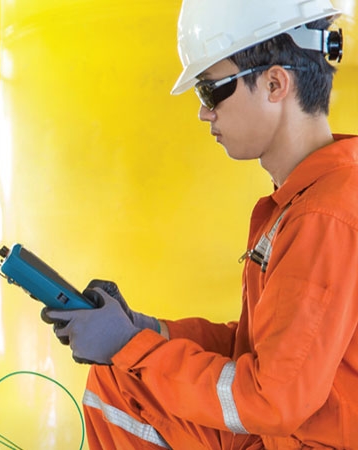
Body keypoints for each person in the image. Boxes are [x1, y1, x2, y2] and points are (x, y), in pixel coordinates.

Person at [41, 0, 358, 448]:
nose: (204, 113)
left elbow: (272, 399)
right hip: (288, 434)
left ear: (274, 83)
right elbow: (261, 351)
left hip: (302, 437)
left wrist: (130, 348)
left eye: (211, 91)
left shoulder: (325, 218)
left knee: (124, 379)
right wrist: (143, 330)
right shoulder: (308, 202)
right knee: (122, 382)